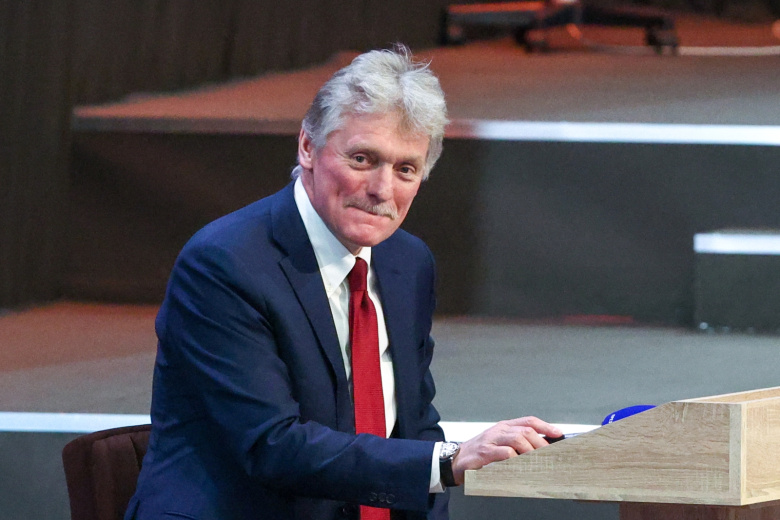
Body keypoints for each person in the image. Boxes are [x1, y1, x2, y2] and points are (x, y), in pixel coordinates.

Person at [126, 44, 562, 520]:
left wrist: (438, 471)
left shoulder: (407, 262)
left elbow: (416, 427)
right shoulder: (224, 264)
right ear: (307, 147)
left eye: (405, 169)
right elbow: (273, 445)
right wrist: (447, 463)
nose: (381, 190)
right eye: (362, 159)